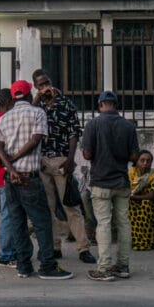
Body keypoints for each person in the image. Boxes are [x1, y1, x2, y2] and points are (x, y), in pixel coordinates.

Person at [0, 80, 72, 280]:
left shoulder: (4, 118)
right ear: (30, 95)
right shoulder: (38, 113)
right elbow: (35, 140)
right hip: (29, 177)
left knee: (17, 222)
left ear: (12, 97)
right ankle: (47, 265)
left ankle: (23, 266)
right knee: (42, 222)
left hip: (11, 178)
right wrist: (17, 158)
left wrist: (10, 166)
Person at [32, 69, 96, 265]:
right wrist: (36, 100)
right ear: (36, 87)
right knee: (49, 207)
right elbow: (28, 120)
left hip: (61, 159)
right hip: (42, 161)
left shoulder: (66, 104)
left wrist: (70, 159)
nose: (44, 87)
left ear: (51, 82)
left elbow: (74, 133)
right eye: (40, 85)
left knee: (70, 205)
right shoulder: (37, 107)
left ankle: (83, 248)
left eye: (46, 83)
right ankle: (54, 247)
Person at [80, 90, 140, 282]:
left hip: (101, 182)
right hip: (122, 181)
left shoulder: (93, 124)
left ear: (100, 106)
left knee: (103, 224)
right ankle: (123, 266)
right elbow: (134, 157)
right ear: (116, 105)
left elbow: (87, 154)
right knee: (123, 223)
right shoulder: (128, 126)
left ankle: (104, 267)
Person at [0, 88, 16, 268]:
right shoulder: (2, 121)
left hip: (2, 174)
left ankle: (9, 251)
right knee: (8, 214)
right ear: (9, 103)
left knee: (9, 213)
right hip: (4, 174)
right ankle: (6, 254)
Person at [128, 150, 154, 250]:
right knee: (128, 206)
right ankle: (135, 241)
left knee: (145, 204)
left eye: (148, 161)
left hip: (151, 203)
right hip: (134, 201)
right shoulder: (131, 174)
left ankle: (148, 242)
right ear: (137, 161)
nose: (145, 163)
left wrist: (133, 197)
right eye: (142, 160)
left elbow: (152, 195)